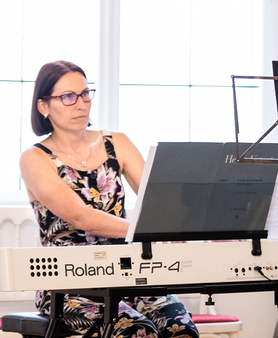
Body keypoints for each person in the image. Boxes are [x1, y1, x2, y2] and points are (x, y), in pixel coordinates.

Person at [19, 60, 198, 338]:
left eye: (85, 93)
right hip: (68, 284)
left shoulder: (117, 143)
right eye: (68, 97)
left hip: (129, 274)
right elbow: (81, 216)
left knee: (181, 329)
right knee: (138, 331)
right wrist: (144, 230)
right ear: (44, 106)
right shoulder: (34, 158)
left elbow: (158, 202)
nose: (81, 104)